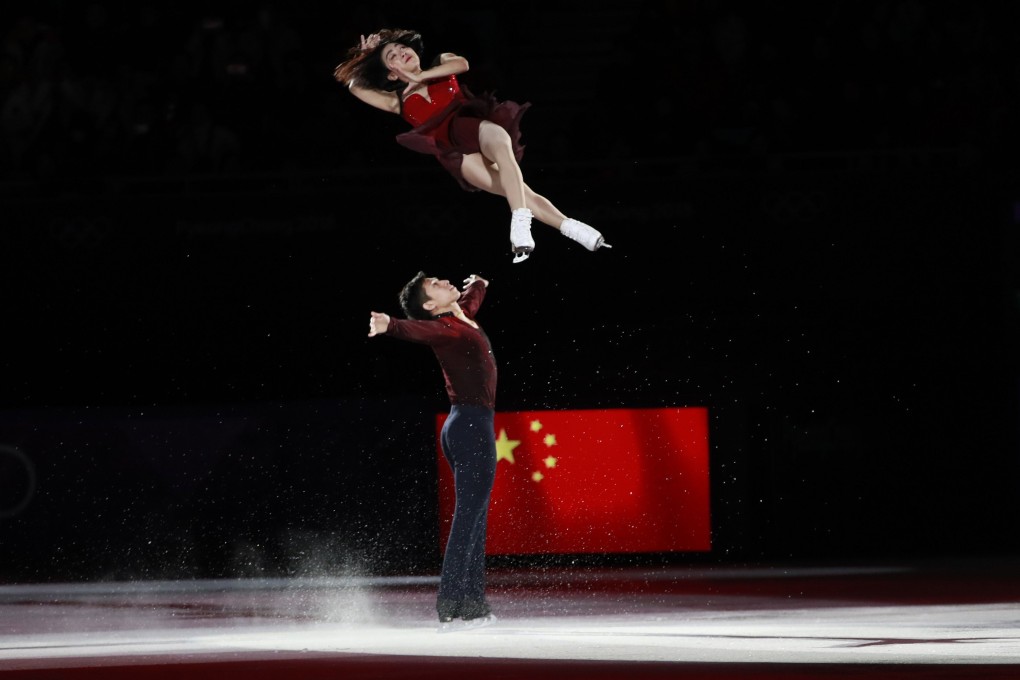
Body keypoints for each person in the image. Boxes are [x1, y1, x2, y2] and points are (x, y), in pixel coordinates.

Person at [335, 29, 611, 263]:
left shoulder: (440, 63)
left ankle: (519, 221)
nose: (401, 52)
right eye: (391, 56)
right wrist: (365, 55)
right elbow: (353, 86)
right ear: (392, 75)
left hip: (472, 125)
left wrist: (422, 76)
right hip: (457, 153)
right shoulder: (396, 101)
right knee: (518, 191)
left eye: (400, 46)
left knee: (500, 141)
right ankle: (575, 229)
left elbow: (462, 64)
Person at [368, 271, 498, 628]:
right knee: (469, 518)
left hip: (470, 424)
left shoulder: (462, 315)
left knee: (476, 518)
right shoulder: (444, 329)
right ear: (430, 306)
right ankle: (452, 603)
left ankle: (471, 603)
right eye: (435, 286)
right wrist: (390, 324)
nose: (443, 282)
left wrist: (479, 284)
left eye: (440, 279)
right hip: (470, 426)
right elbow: (416, 331)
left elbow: (471, 299)